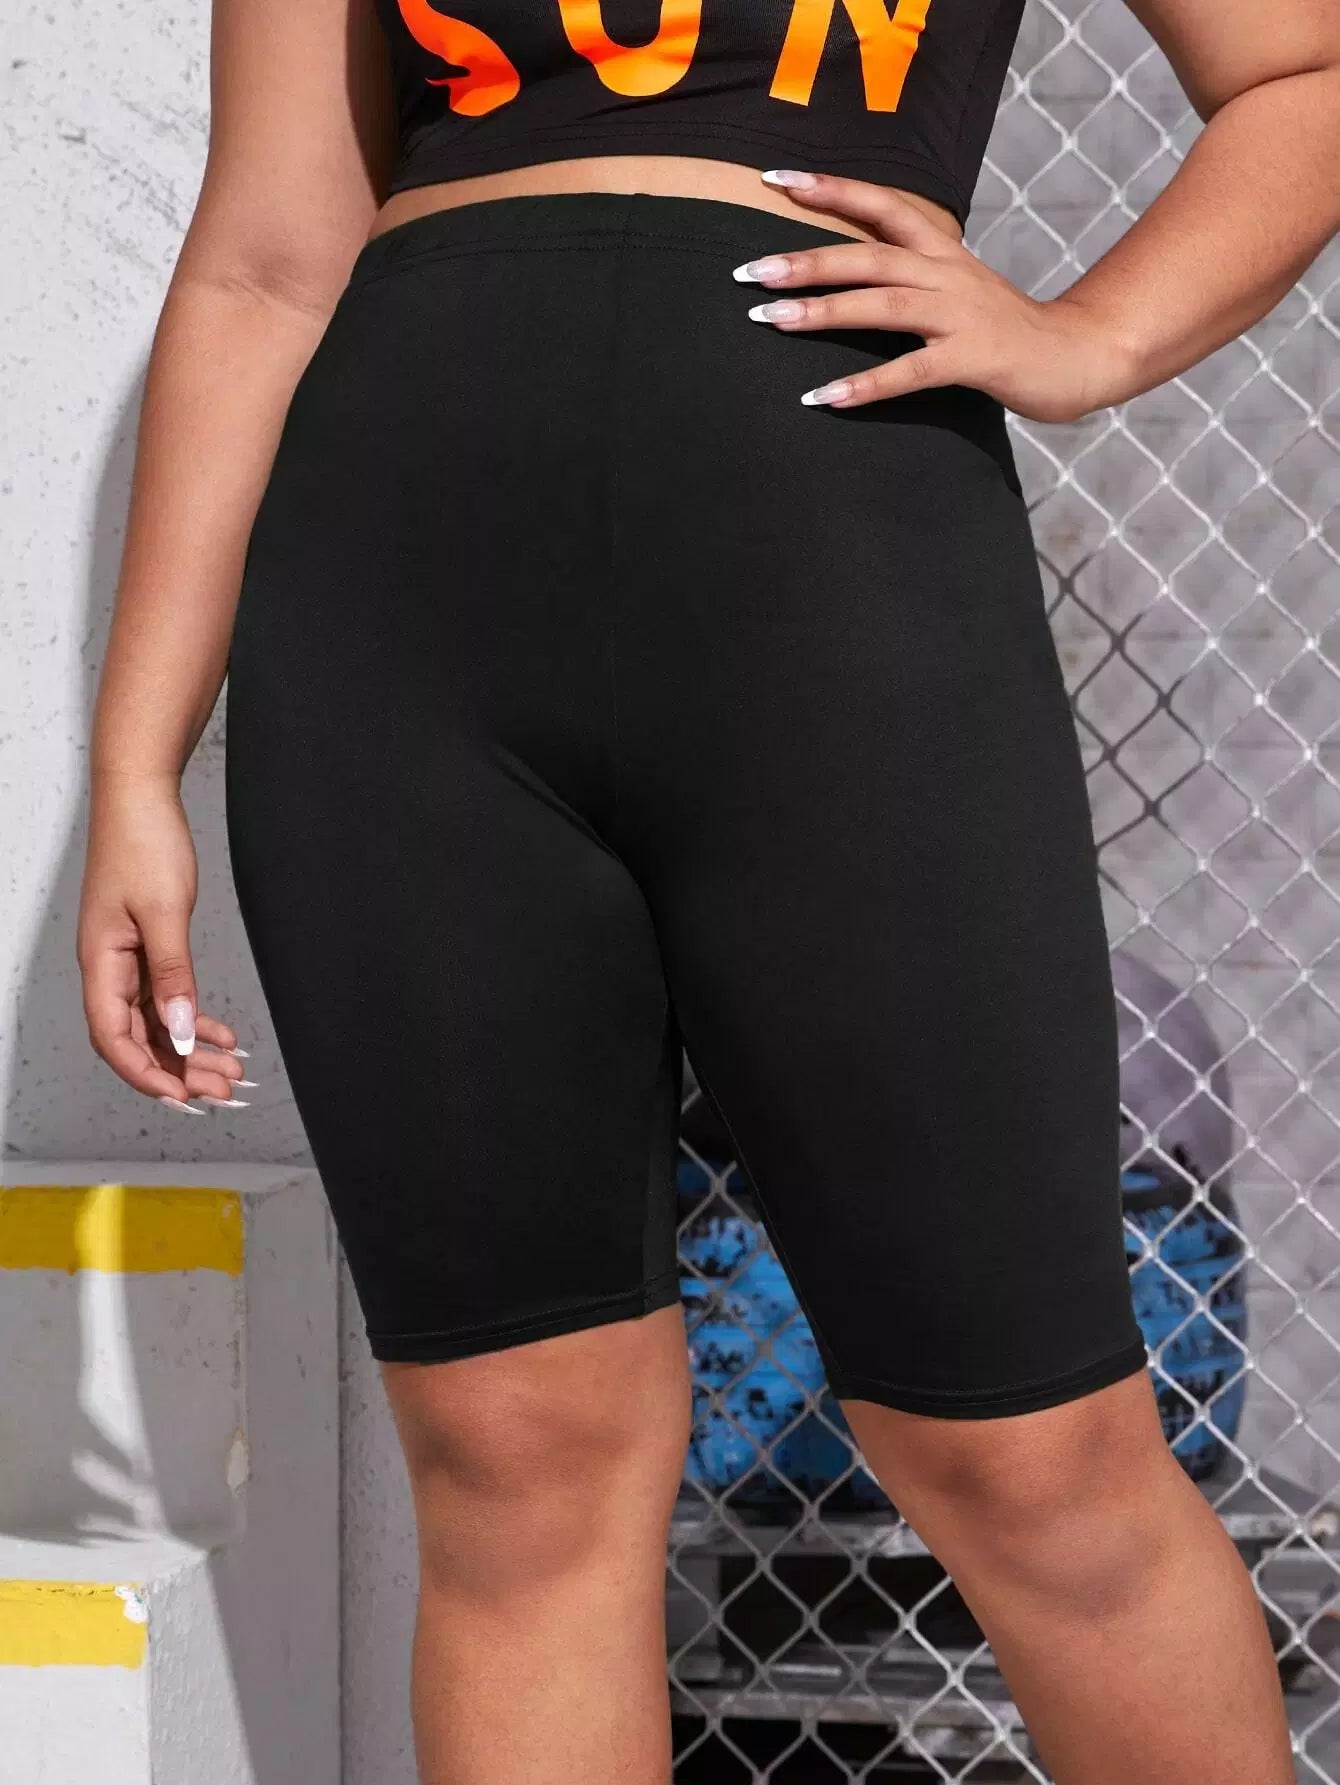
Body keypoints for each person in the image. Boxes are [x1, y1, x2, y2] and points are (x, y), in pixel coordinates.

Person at [75, 0, 1337, 1777]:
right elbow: (266, 262)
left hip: (834, 569)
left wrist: (1093, 333)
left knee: (1034, 1458)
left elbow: (1303, 71)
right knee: (517, 1471)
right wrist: (135, 767)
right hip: (396, 629)